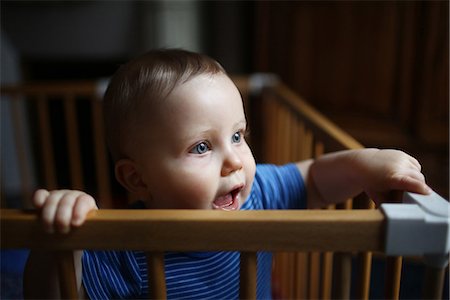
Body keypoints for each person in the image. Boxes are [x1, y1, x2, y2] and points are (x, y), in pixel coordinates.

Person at [24, 49, 431, 299]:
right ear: (137, 179)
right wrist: (62, 242)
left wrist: (367, 163)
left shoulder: (258, 197)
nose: (235, 160)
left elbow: (314, 179)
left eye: (238, 135)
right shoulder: (123, 244)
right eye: (201, 146)